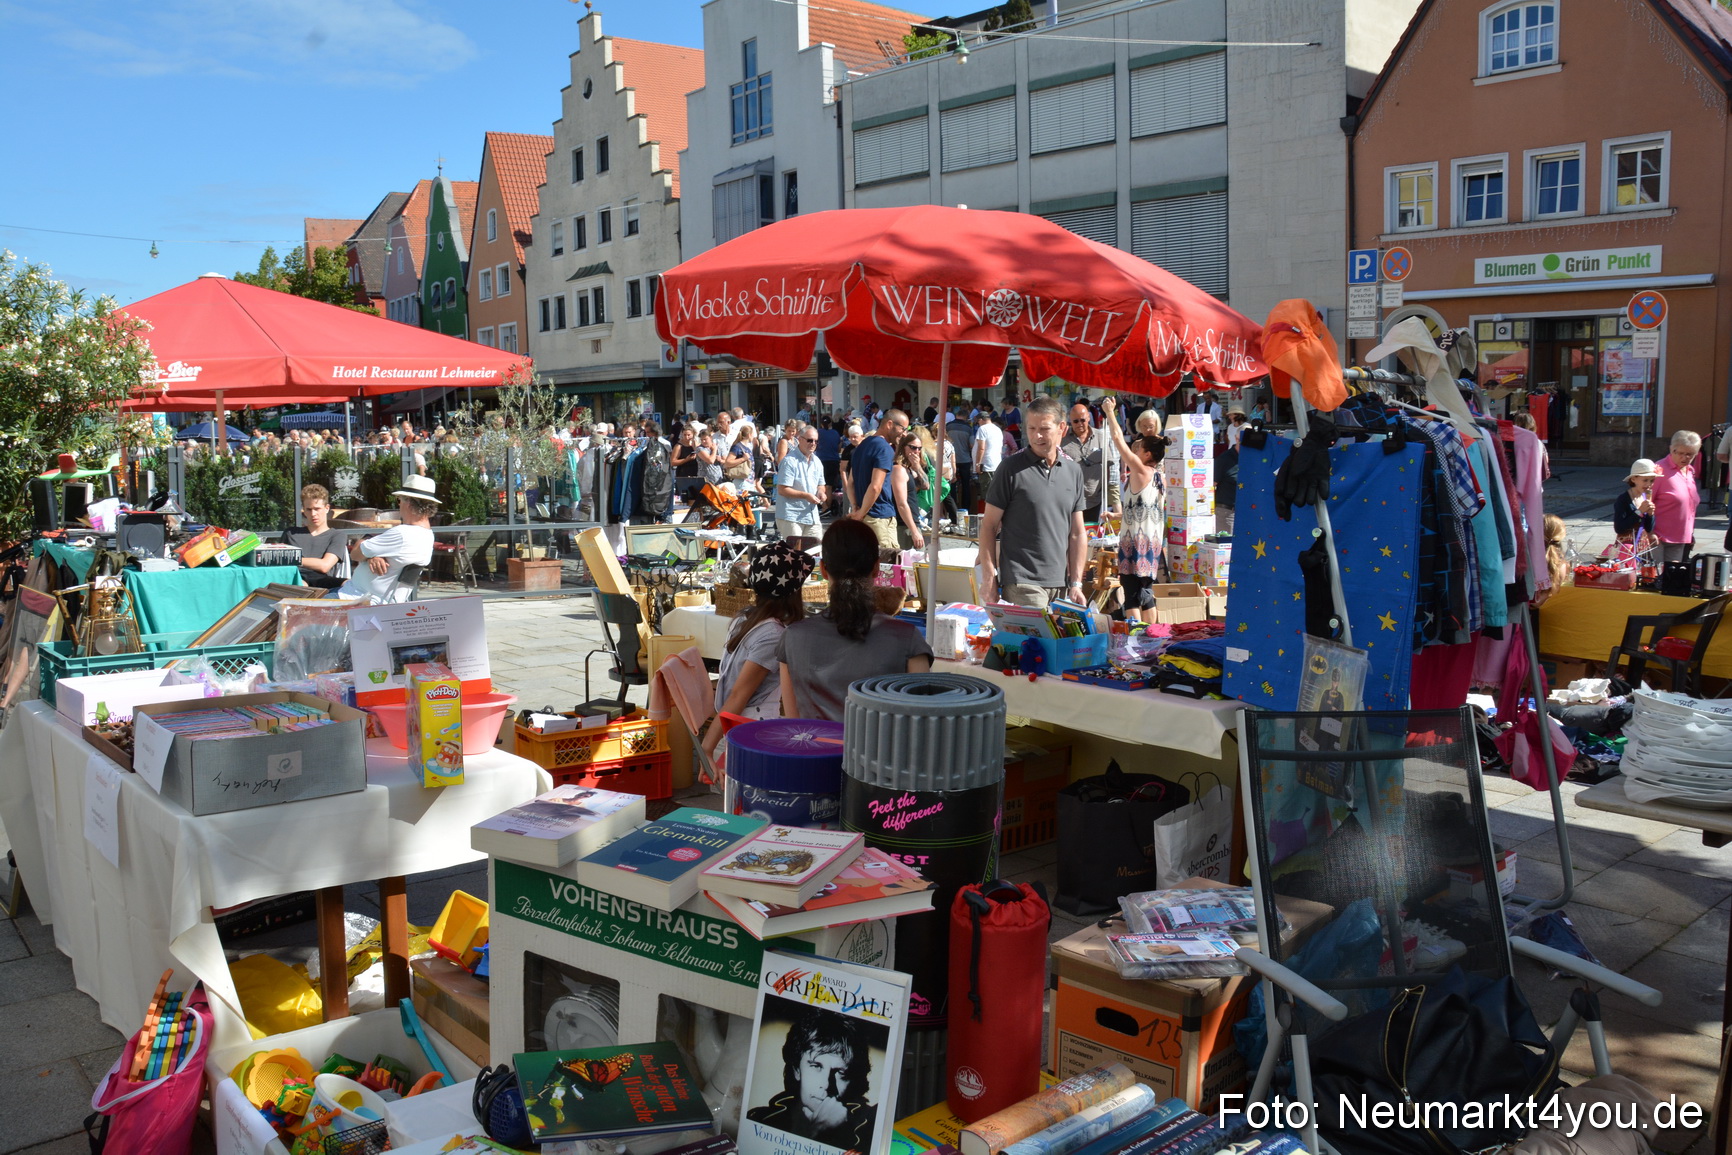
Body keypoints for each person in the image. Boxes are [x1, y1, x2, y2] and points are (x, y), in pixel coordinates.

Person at [778, 519, 933, 721]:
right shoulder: (907, 638)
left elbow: (794, 720)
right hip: (882, 752)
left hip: (812, 750)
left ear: (823, 570)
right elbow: (922, 721)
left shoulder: (793, 637)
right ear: (877, 568)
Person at [702, 542, 814, 761]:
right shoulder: (773, 634)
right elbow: (739, 695)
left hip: (734, 727)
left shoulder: (745, 617)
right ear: (793, 592)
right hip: (748, 731)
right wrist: (707, 747)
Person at [979, 396, 1088, 608]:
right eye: (1031, 428)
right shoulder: (1010, 469)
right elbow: (988, 526)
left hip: (1060, 584)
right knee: (1039, 640)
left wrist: (1076, 583)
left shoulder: (1073, 471)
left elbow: (1077, 533)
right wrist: (989, 576)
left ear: (1062, 428)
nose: (1037, 435)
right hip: (1022, 581)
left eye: (1045, 429)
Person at [745, 1005, 877, 1151]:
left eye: (840, 1073)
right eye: (816, 1066)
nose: (827, 1085)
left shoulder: (872, 1128)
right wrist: (816, 1131)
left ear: (853, 1078)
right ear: (797, 1070)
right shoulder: (758, 1119)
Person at [1099, 399, 1165, 622]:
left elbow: (1118, 440)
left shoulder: (1143, 471)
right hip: (1152, 542)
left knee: (1131, 595)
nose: (1136, 452)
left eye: (1140, 449)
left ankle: (1136, 639)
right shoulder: (1159, 477)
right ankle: (1151, 637)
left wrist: (1110, 412)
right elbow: (1142, 509)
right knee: (1145, 593)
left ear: (1147, 455)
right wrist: (1116, 515)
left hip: (1136, 542)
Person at [339, 475, 437, 603]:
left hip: (357, 599)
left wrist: (368, 553)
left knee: (307, 606)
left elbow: (355, 553)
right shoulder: (427, 535)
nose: (399, 504)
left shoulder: (402, 534)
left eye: (399, 500)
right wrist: (371, 557)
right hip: (379, 601)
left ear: (407, 502)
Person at [847, 409, 909, 551]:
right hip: (879, 517)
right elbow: (876, 486)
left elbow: (850, 483)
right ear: (889, 424)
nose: (905, 433)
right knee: (888, 568)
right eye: (903, 428)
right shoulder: (884, 448)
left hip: (864, 516)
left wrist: (857, 508)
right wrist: (860, 513)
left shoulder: (860, 447)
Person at [1060, 403, 1117, 523]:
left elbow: (1108, 465)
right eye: (1075, 421)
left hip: (1094, 500)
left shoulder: (1101, 437)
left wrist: (1106, 492)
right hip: (1070, 500)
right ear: (1070, 420)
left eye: (1083, 420)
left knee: (1091, 535)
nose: (1080, 424)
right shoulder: (1062, 439)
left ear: (1089, 418)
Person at [1652, 430, 1702, 565]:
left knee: (1672, 580)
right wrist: (1648, 532)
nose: (1684, 458)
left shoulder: (1690, 471)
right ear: (1671, 449)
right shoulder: (1659, 470)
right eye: (1680, 453)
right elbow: (1644, 502)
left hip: (1681, 537)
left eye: (1690, 455)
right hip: (1657, 537)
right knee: (1655, 578)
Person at [286, 484, 345, 589]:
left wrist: (293, 559)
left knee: (348, 584)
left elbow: (324, 566)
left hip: (322, 581)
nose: (313, 514)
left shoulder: (337, 536)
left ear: (327, 508)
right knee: (300, 584)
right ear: (303, 510)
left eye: (317, 509)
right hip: (294, 579)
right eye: (308, 509)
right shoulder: (291, 533)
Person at [774, 424, 827, 540]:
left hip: (812, 515)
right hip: (791, 516)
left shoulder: (817, 461)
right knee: (795, 554)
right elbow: (782, 489)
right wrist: (806, 495)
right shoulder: (789, 461)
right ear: (799, 440)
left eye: (815, 441)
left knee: (816, 551)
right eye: (809, 440)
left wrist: (821, 492)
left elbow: (821, 484)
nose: (813, 443)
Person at [888, 433, 930, 551]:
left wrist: (918, 467)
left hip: (913, 522)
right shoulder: (898, 469)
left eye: (919, 448)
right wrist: (914, 530)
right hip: (903, 525)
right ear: (903, 447)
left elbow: (926, 486)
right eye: (913, 447)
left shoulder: (909, 469)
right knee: (907, 565)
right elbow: (901, 503)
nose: (916, 451)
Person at [1613, 459, 1659, 542]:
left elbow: (1648, 528)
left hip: (1642, 545)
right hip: (1627, 547)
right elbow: (1619, 528)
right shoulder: (1623, 499)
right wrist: (1639, 512)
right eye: (1645, 480)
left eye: (1652, 481)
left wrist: (1650, 514)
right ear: (1634, 479)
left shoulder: (1645, 497)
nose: (1649, 484)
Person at [945, 409, 974, 512]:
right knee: (966, 485)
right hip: (964, 459)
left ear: (956, 416)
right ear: (966, 417)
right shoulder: (968, 428)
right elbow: (971, 445)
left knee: (951, 484)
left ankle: (952, 509)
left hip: (949, 460)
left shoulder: (948, 426)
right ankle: (966, 509)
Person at [973, 411, 1004, 503]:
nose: (978, 424)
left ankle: (989, 516)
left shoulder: (982, 429)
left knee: (987, 494)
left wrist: (978, 464)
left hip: (986, 465)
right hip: (996, 464)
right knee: (995, 493)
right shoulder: (997, 429)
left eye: (978, 422)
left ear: (981, 420)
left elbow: (981, 448)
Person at [839, 423, 865, 513]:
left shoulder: (866, 447)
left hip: (863, 480)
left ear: (862, 436)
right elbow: (842, 469)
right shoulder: (848, 450)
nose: (852, 439)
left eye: (855, 437)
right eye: (850, 437)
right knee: (849, 506)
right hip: (851, 479)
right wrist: (846, 484)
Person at [672, 425, 700, 503]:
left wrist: (694, 446)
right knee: (684, 498)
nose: (686, 437)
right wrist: (686, 460)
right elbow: (673, 462)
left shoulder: (696, 444)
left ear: (693, 434)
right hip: (683, 472)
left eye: (689, 435)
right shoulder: (679, 446)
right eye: (684, 435)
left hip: (695, 472)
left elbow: (701, 456)